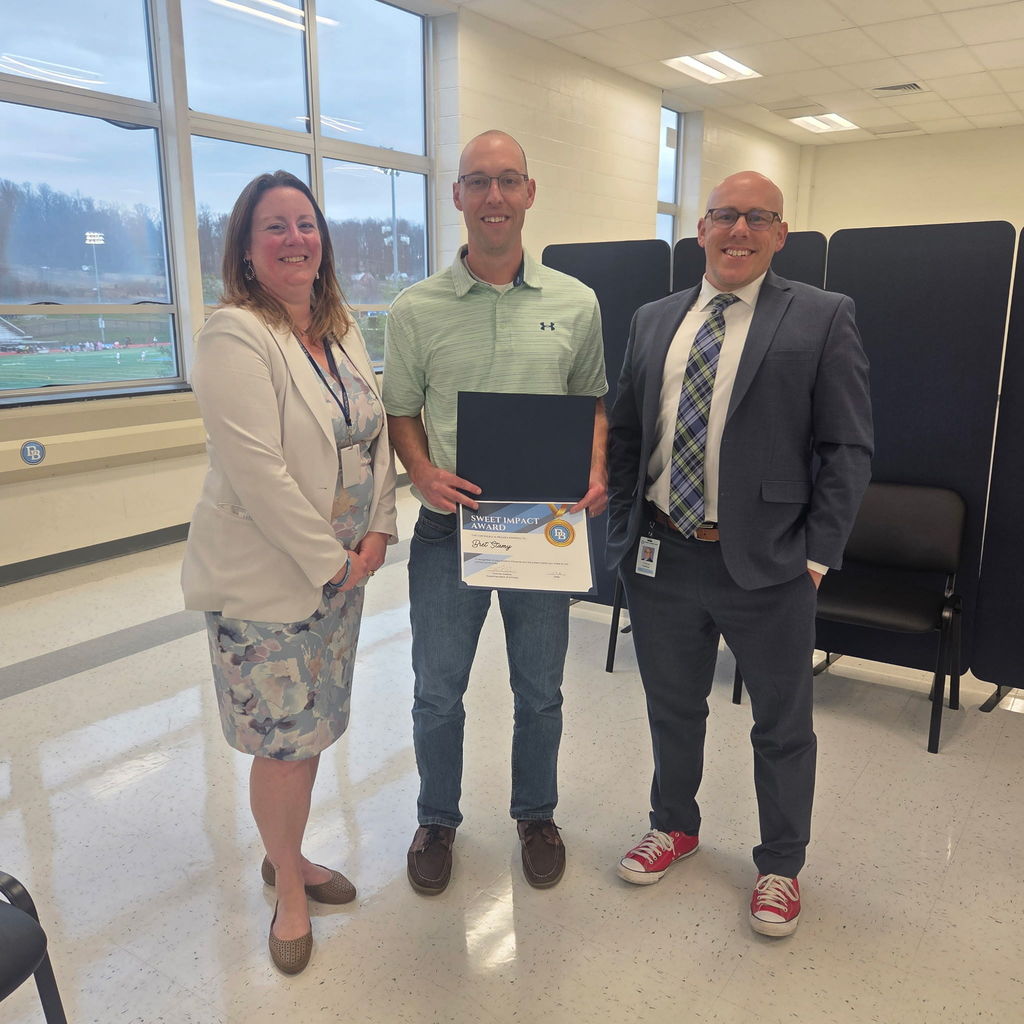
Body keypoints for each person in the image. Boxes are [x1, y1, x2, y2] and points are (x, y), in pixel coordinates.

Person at [606, 171, 872, 936]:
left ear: (780, 234)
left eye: (759, 218)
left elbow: (847, 447)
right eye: (726, 215)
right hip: (664, 553)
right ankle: (675, 825)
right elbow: (626, 434)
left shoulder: (822, 316)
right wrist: (627, 532)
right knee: (673, 706)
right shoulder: (654, 319)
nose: (739, 230)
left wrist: (816, 557)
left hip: (771, 565)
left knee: (783, 725)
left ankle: (781, 866)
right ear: (702, 228)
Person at [181, 170, 397, 973]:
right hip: (273, 583)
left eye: (305, 223)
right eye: (273, 227)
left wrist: (378, 530)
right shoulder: (234, 333)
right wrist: (331, 560)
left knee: (310, 735)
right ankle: (289, 890)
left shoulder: (339, 329)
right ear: (244, 248)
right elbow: (256, 469)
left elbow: (370, 440)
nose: (294, 239)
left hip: (343, 574)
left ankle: (290, 853)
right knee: (283, 743)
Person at [383, 130, 608, 895]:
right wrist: (421, 472)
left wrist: (596, 467)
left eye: (508, 181)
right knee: (437, 689)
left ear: (530, 192)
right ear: (456, 197)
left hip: (542, 525)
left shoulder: (577, 303)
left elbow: (592, 404)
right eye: (478, 182)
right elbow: (401, 411)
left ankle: (535, 814)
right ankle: (436, 819)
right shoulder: (415, 309)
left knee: (539, 689)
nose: (494, 198)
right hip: (451, 527)